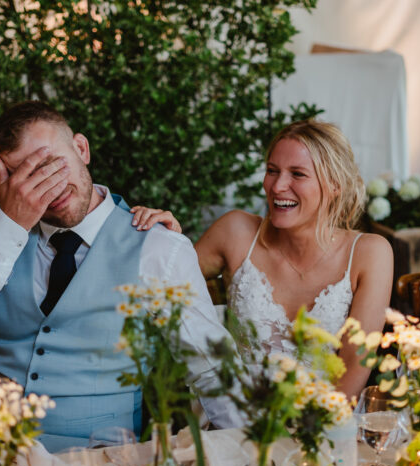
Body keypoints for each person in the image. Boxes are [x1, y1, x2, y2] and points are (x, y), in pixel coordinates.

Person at [0, 101, 241, 451]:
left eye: (51, 164)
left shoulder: (158, 248)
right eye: (25, 177)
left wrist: (246, 456)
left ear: (81, 149)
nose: (49, 187)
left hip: (102, 462)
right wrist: (7, 226)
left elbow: (212, 369)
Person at [132, 120, 393, 398]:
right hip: (237, 422)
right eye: (272, 170)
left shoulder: (370, 253)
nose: (278, 186)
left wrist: (315, 433)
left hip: (326, 425)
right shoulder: (236, 233)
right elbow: (159, 283)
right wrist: (169, 239)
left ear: (334, 185)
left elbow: (354, 366)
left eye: (297, 174)